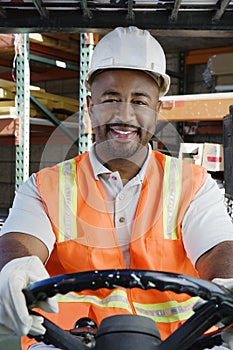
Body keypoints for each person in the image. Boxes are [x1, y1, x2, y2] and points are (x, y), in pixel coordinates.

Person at [0, 26, 233, 350]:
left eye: (139, 101)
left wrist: (230, 282)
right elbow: (18, 242)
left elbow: (219, 250)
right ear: (89, 106)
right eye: (111, 99)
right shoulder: (45, 187)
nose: (124, 115)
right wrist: (14, 267)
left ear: (158, 110)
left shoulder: (192, 185)